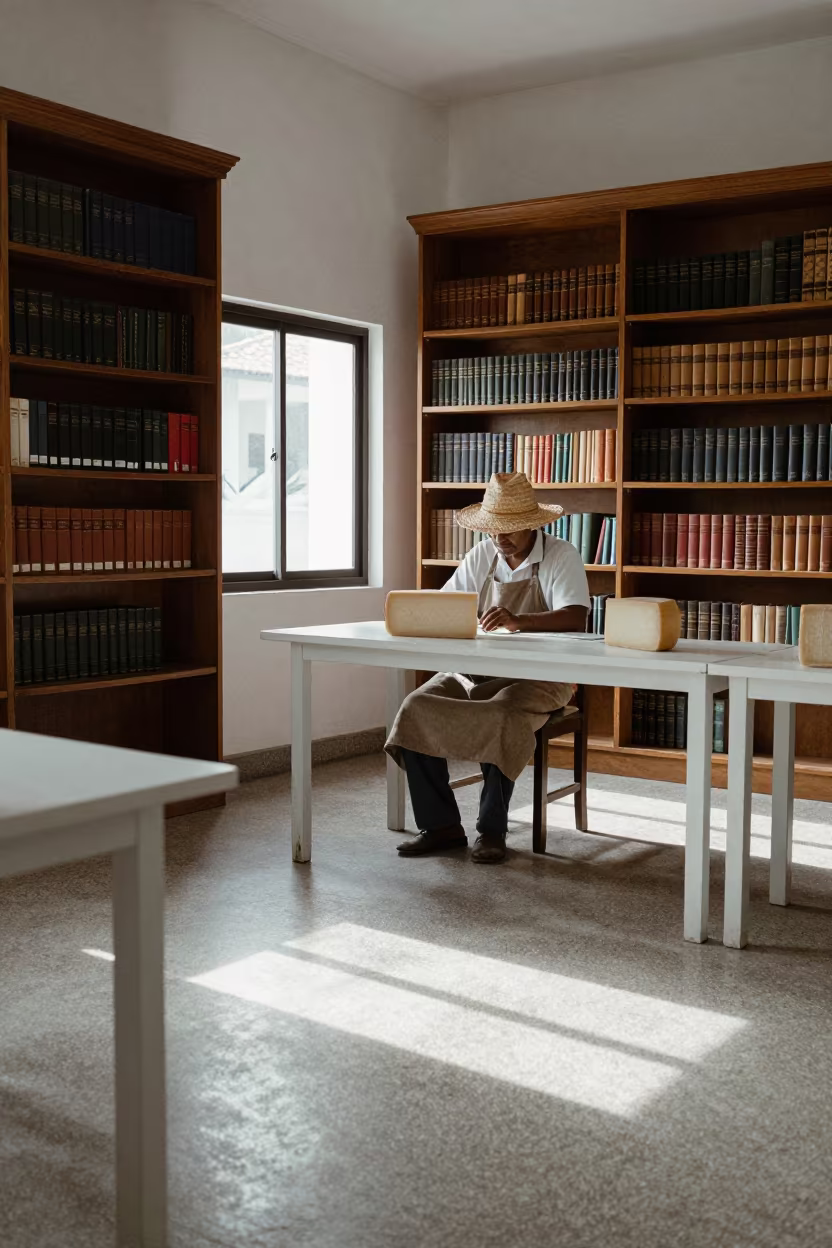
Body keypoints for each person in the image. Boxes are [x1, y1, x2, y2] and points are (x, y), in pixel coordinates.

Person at [386, 471, 590, 864]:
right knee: (415, 707)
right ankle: (441, 826)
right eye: (494, 527)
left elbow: (575, 617)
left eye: (509, 528)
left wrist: (519, 620)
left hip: (543, 676)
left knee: (502, 715)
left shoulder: (561, 554)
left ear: (531, 523)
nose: (500, 536)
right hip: (476, 669)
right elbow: (446, 605)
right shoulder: (481, 555)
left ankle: (492, 830)